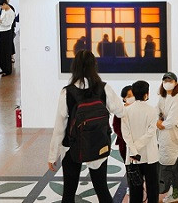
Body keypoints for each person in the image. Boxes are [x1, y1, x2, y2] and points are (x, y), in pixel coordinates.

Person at [48, 50, 124, 203]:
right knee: (102, 189)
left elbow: (59, 127)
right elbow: (120, 111)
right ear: (94, 65)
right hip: (98, 144)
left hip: (72, 147)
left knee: (69, 192)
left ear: (74, 66)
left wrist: (52, 155)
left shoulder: (67, 92)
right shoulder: (104, 88)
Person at [121, 80, 160, 203]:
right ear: (146, 94)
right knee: (152, 189)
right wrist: (138, 146)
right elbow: (150, 133)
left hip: (133, 157)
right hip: (150, 156)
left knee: (135, 191)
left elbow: (125, 134)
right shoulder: (152, 111)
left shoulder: (126, 111)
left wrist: (133, 148)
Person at [157, 73, 178, 202]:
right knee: (172, 164)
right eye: (165, 81)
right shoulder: (163, 97)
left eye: (170, 81)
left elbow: (171, 121)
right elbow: (157, 110)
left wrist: (161, 124)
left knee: (174, 167)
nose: (167, 83)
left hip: (174, 138)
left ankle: (175, 195)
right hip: (165, 137)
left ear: (175, 83)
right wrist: (158, 121)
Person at [0, 0, 16, 76]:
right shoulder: (4, 11)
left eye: (1, 6)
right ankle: (3, 68)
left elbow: (8, 23)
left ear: (5, 4)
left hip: (7, 33)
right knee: (2, 51)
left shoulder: (11, 12)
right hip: (2, 32)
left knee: (6, 52)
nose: (1, 8)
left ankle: (8, 70)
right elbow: (2, 21)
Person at [113, 85, 134, 162]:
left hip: (138, 141)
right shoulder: (120, 110)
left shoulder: (139, 109)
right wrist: (126, 137)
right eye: (129, 96)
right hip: (124, 142)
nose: (132, 97)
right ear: (124, 98)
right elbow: (116, 126)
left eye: (134, 95)